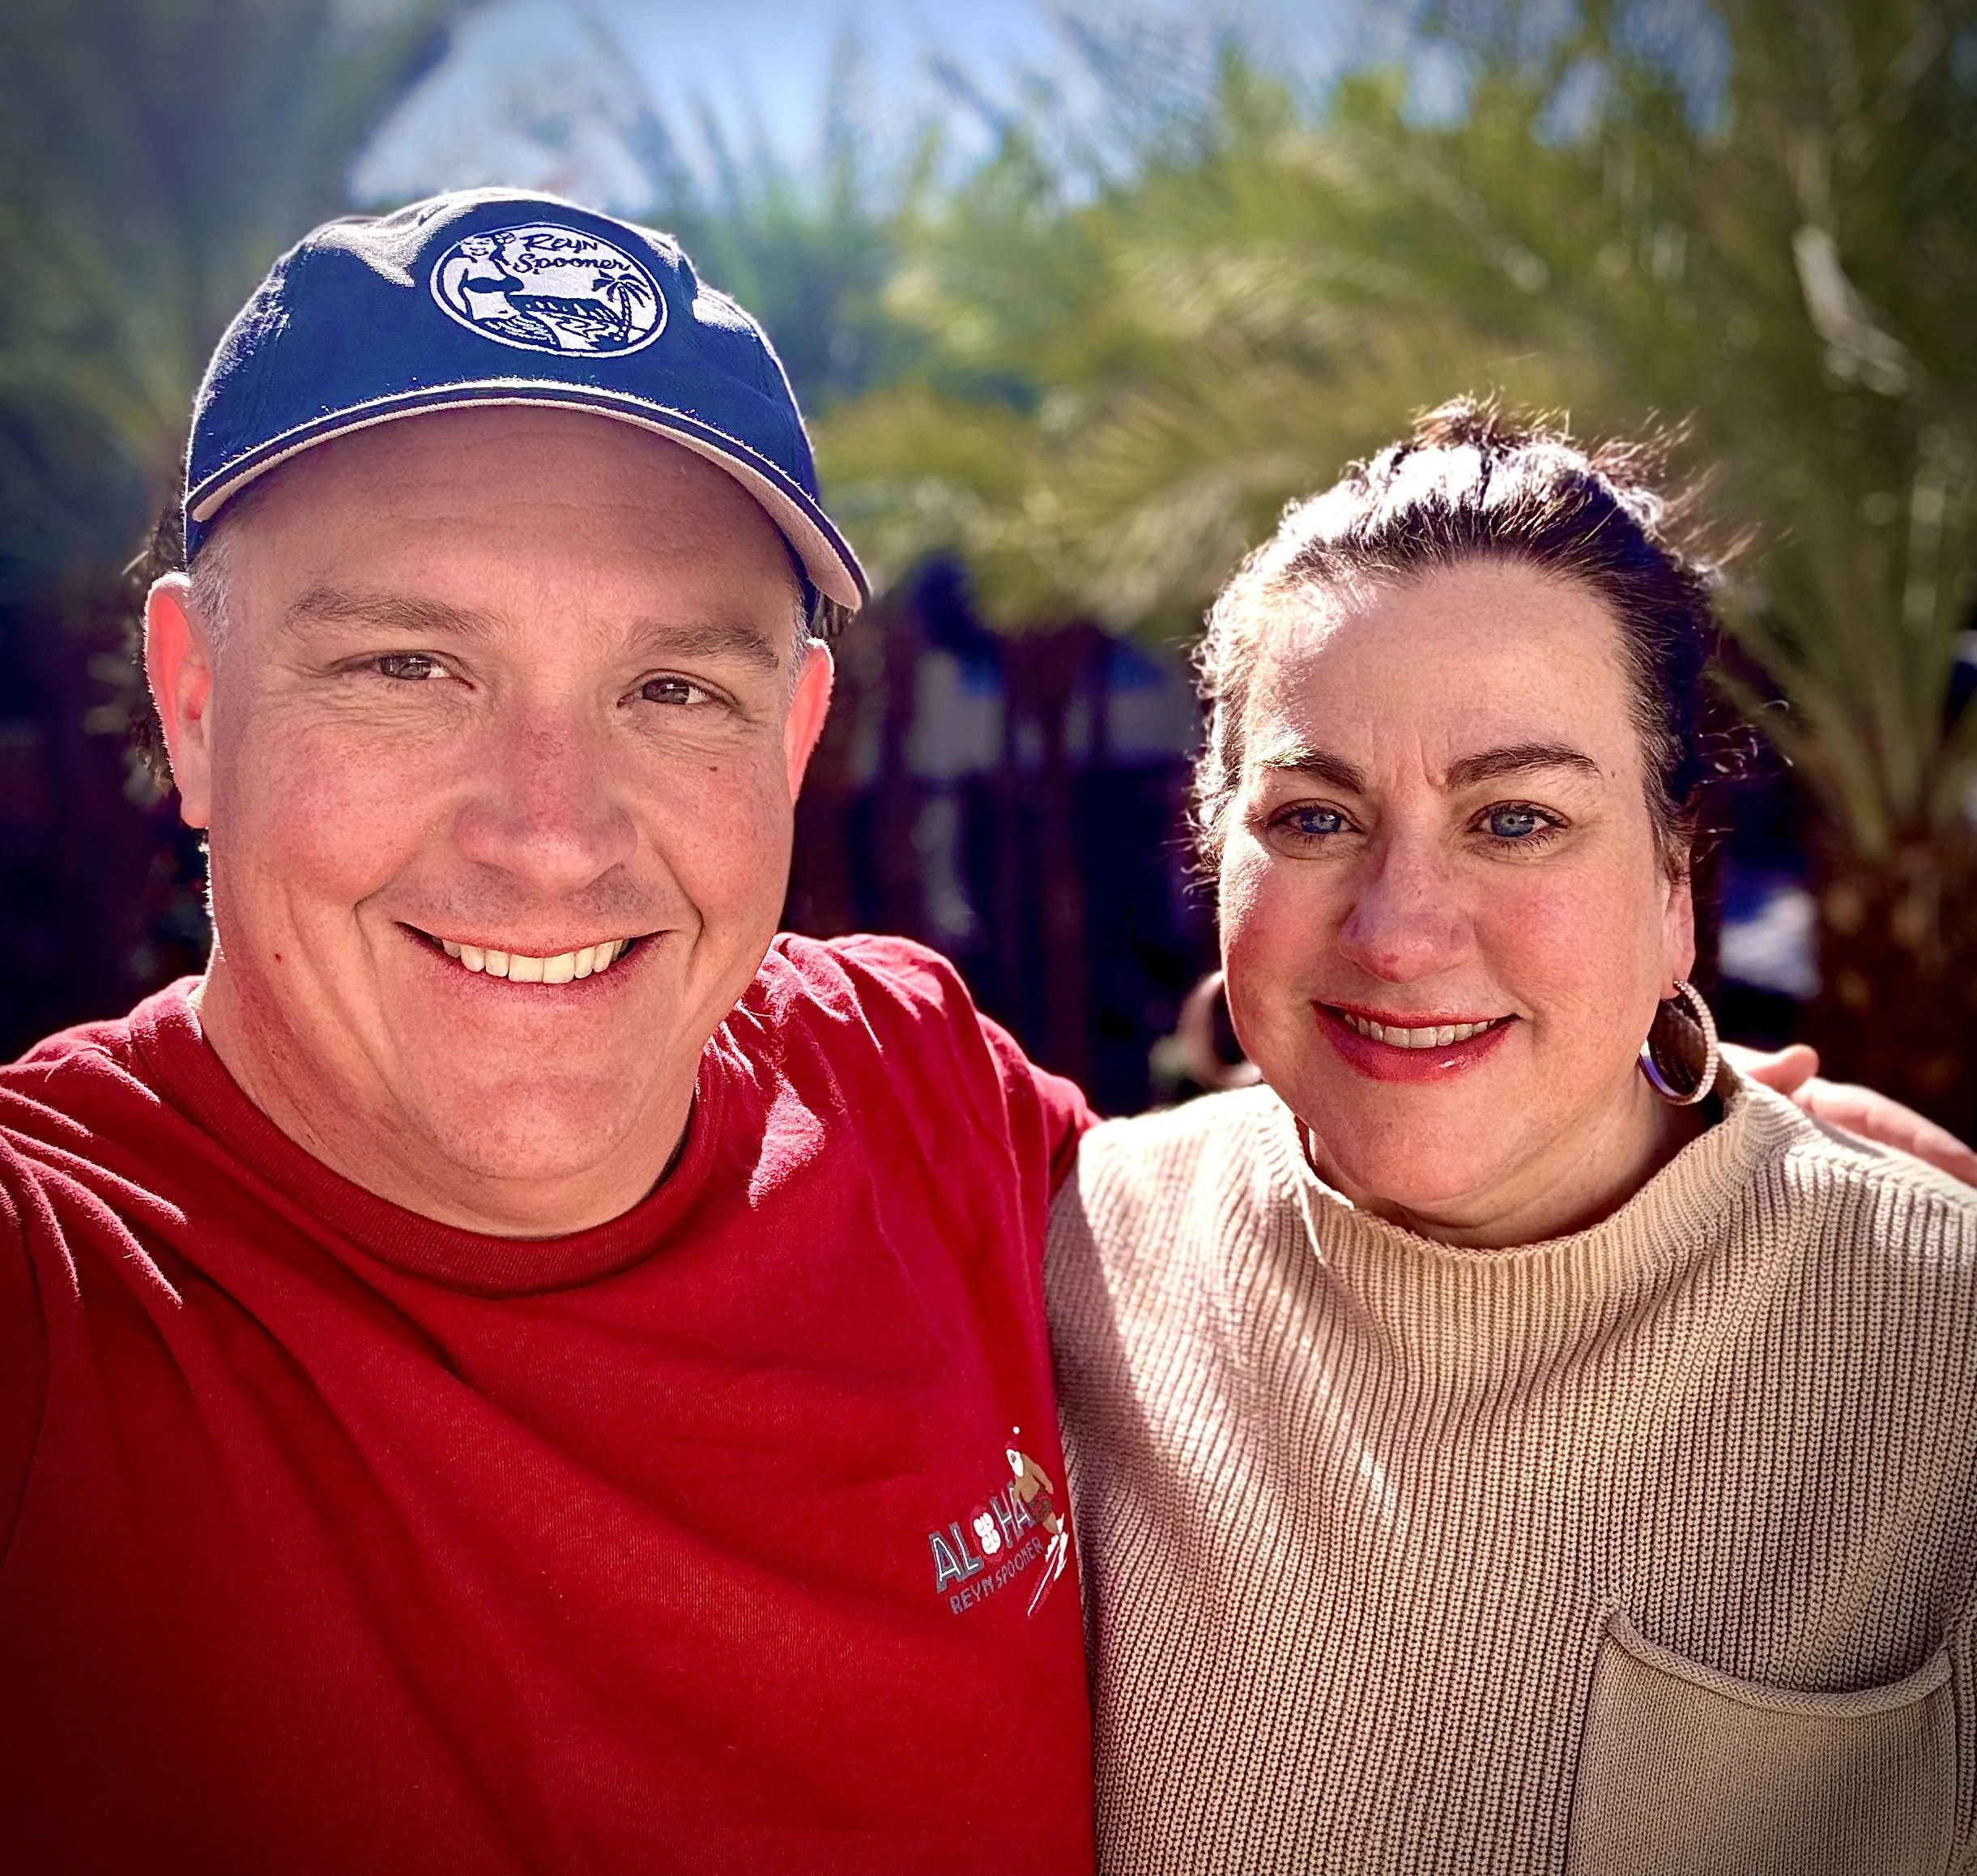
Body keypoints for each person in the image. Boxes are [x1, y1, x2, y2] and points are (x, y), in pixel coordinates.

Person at [0, 189, 1097, 1874]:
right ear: (196, 705)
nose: (552, 836)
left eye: (674, 690)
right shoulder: (66, 1287)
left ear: (791, 736)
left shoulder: (912, 1076)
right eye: (408, 667)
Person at [1046, 404, 1977, 1876]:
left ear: (1673, 886)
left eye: (1519, 820)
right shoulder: (1070, 1248)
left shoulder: (1941, 1348)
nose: (1400, 932)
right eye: (1315, 819)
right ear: (1218, 857)